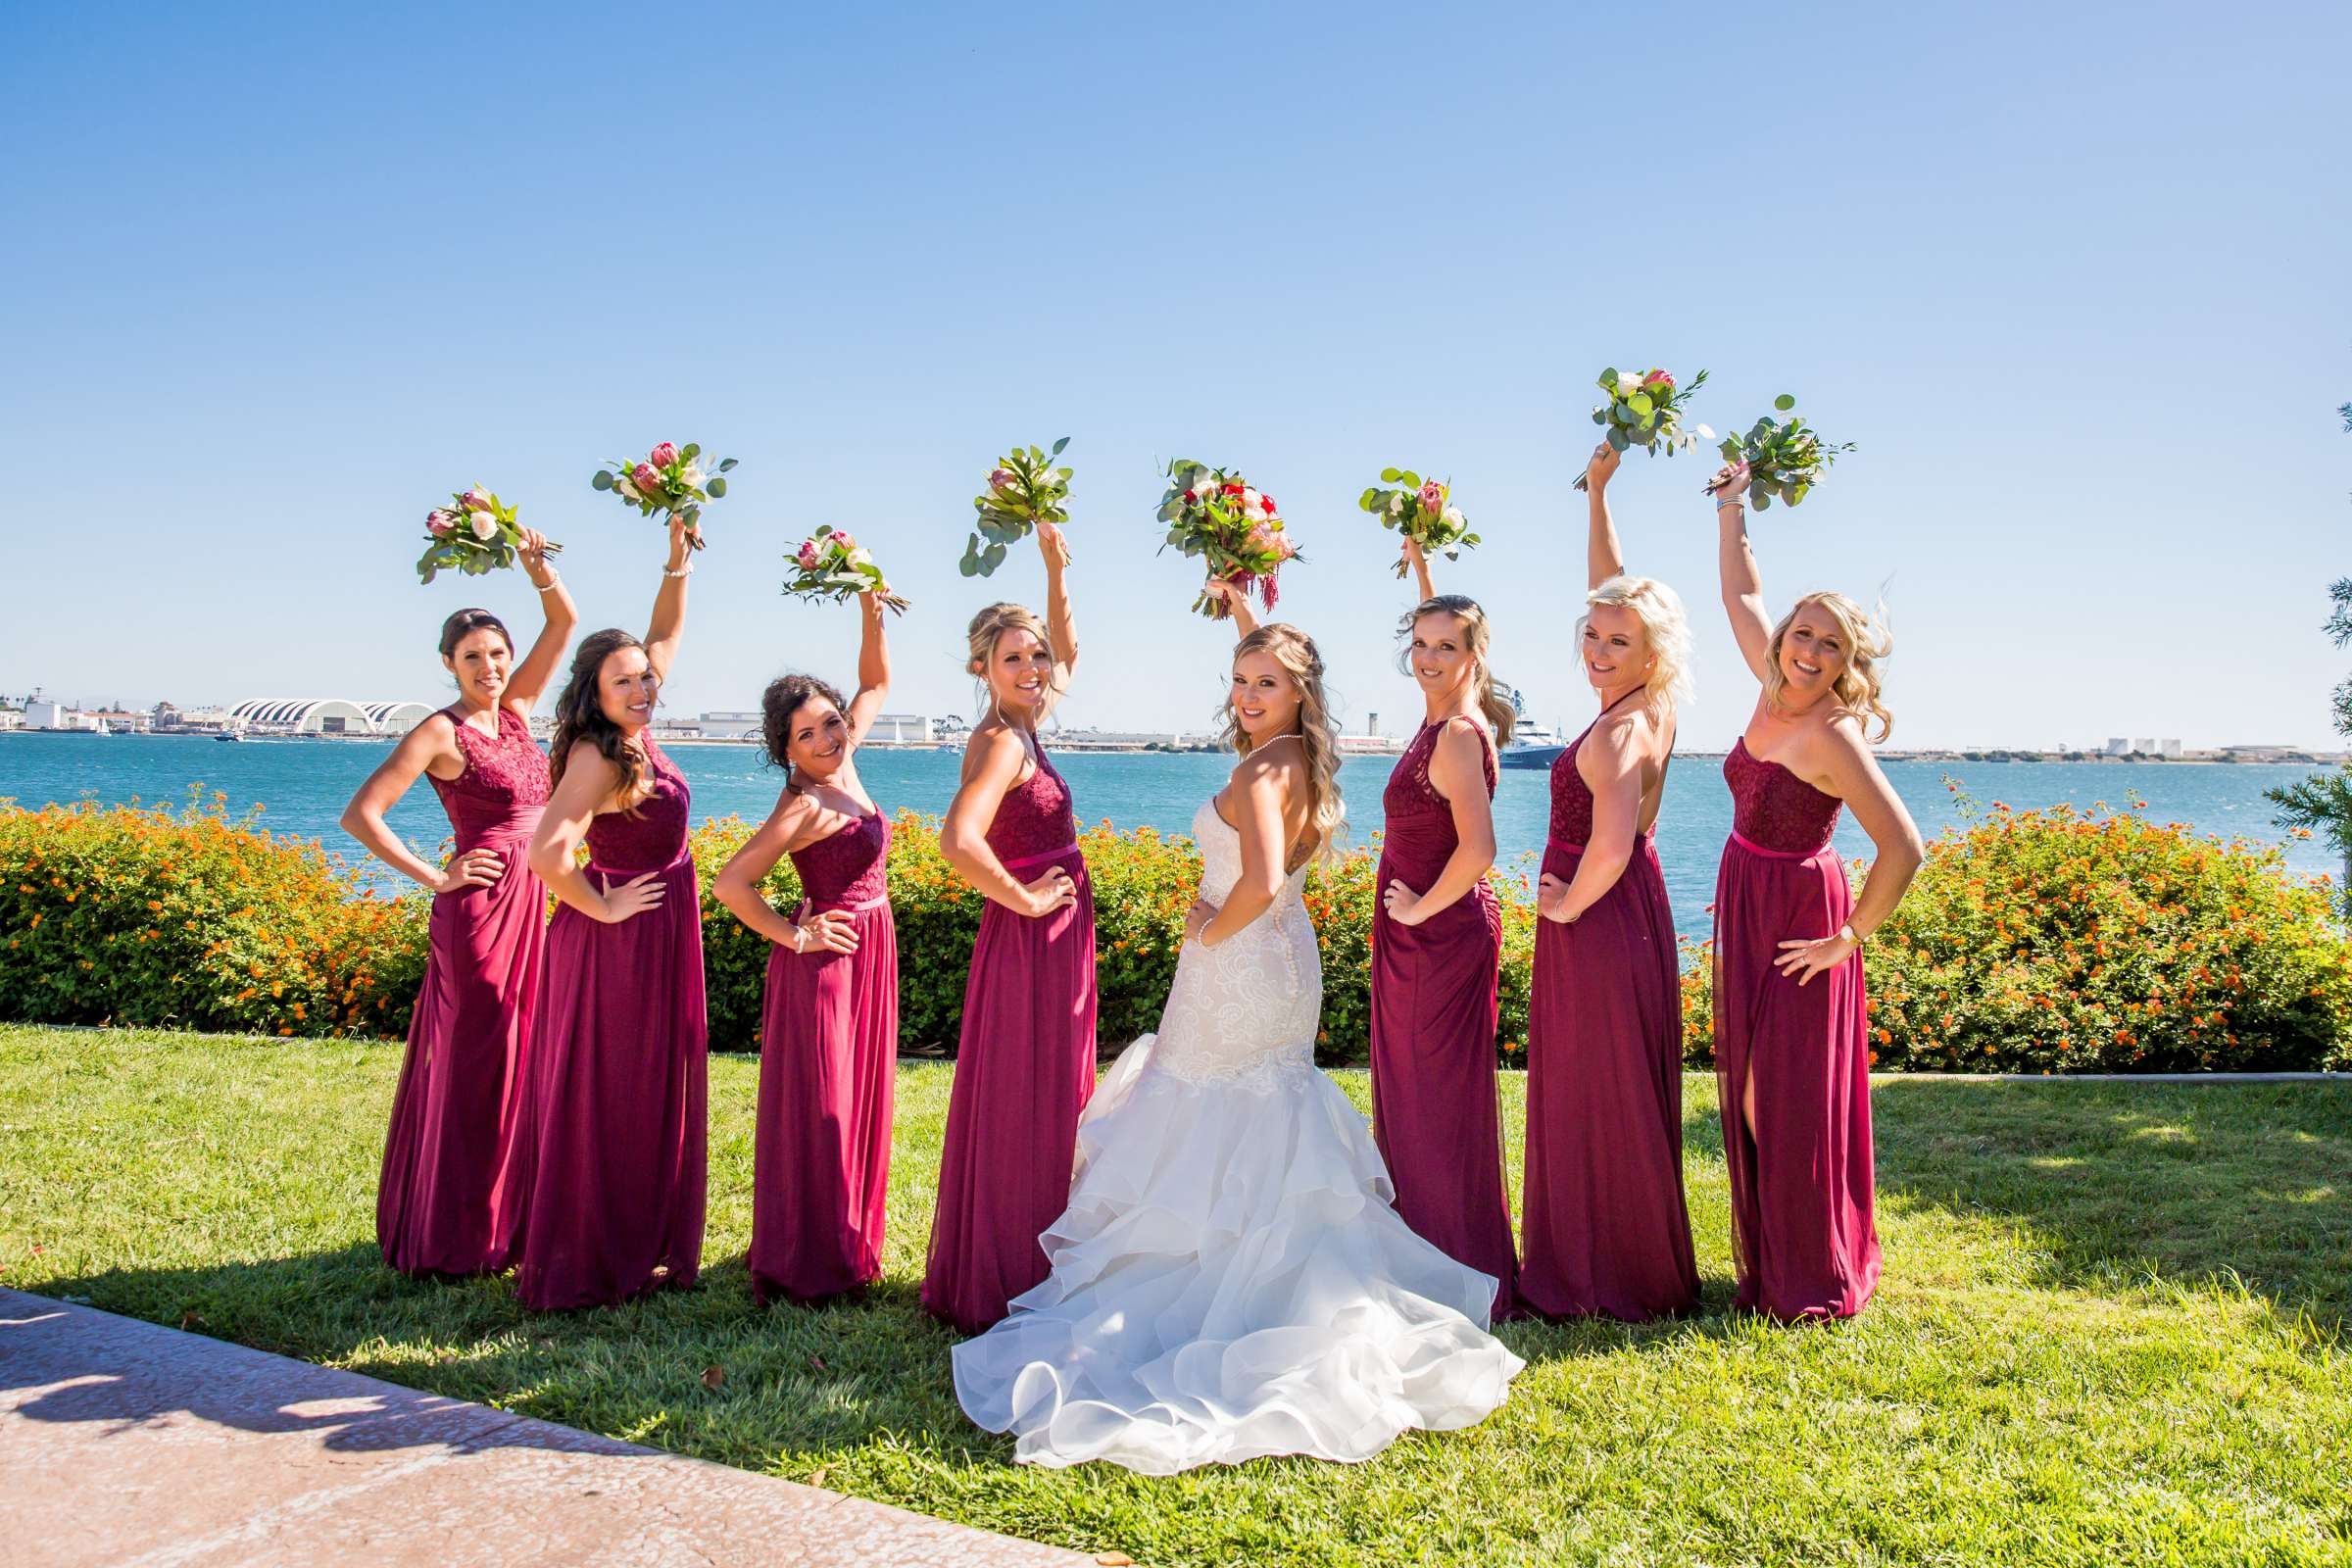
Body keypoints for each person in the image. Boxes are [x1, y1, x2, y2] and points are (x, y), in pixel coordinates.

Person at [953, 609, 1522, 1472]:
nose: (1249, 695)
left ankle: (1223, 1282)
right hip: (1284, 962)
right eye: (1242, 679)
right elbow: (1276, 875)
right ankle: (1274, 1271)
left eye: (1268, 683)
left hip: (1241, 965)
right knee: (1266, 1111)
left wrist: (1207, 934)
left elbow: (1254, 882)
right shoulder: (1299, 759)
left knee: (1202, 1102)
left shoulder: (1264, 768)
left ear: (1299, 693)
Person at [1709, 459, 1924, 1320]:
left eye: (1830, 644)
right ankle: (1784, 1252)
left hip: (1802, 918)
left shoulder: (1836, 735)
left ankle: (1811, 1272)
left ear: (1848, 661)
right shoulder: (1769, 685)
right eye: (1803, 634)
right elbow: (1737, 595)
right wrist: (1731, 506)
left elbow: (1903, 847)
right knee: (1761, 1093)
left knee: (1778, 1096)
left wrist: (1850, 935)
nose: (1810, 651)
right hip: (1745, 897)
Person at [342, 530, 571, 1277]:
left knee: (528, 1057)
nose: (491, 667)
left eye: (498, 653)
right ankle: (455, 1235)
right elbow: (363, 814)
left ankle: (511, 1221)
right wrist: (435, 876)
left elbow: (564, 624)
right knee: (480, 1061)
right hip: (479, 911)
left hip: (537, 902)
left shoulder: (518, 711)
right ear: (448, 664)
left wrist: (538, 570)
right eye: (473, 657)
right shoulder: (440, 730)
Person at [1517, 442, 1701, 1320]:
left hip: (1599, 916)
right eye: (1592, 634)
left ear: (1651, 652)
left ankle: (1605, 1273)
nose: (1598, 647)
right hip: (1625, 915)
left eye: (1617, 640)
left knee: (1599, 1085)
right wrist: (1596, 494)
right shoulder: (1648, 700)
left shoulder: (1624, 730)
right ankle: (1610, 1255)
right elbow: (1613, 583)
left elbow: (1615, 843)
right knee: (1607, 1080)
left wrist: (1565, 904)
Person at [513, 514, 708, 1310]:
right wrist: (604, 902)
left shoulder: (639, 728)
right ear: (595, 691)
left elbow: (662, 634)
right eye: (623, 680)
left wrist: (676, 563)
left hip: (658, 928)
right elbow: (545, 851)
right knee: (615, 1090)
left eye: (646, 678)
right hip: (618, 940)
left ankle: (638, 1234)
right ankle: (594, 1247)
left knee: (651, 1087)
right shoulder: (599, 751)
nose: (641, 686)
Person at [923, 520, 1097, 1333]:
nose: (1033, 668)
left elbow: (1066, 644)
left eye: (1037, 658)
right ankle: (1009, 1267)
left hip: (1052, 934)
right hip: (1031, 933)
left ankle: (1038, 1251)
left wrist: (1056, 570)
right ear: (982, 669)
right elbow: (957, 838)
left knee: (1052, 1088)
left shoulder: (1029, 722)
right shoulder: (999, 741)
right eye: (1013, 658)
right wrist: (1024, 900)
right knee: (1028, 1092)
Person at [713, 587, 898, 1304]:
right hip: (826, 962)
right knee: (823, 1108)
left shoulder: (845, 760)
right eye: (808, 736)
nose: (827, 740)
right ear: (785, 750)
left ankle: (849, 1237)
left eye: (830, 723)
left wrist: (870, 614)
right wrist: (796, 934)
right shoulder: (804, 802)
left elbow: (877, 683)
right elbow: (732, 884)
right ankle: (811, 1259)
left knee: (858, 1101)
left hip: (871, 950)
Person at [1364, 541, 1519, 1315]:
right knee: (1415, 1096)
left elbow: (1480, 849)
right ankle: (1421, 1251)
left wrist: (1420, 907)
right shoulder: (1442, 720)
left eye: (1445, 647)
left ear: (1472, 656)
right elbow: (1451, 632)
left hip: (1439, 935)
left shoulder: (1458, 734)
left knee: (1433, 1101)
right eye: (1419, 645)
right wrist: (1424, 571)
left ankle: (1454, 1266)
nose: (1427, 657)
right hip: (1417, 932)